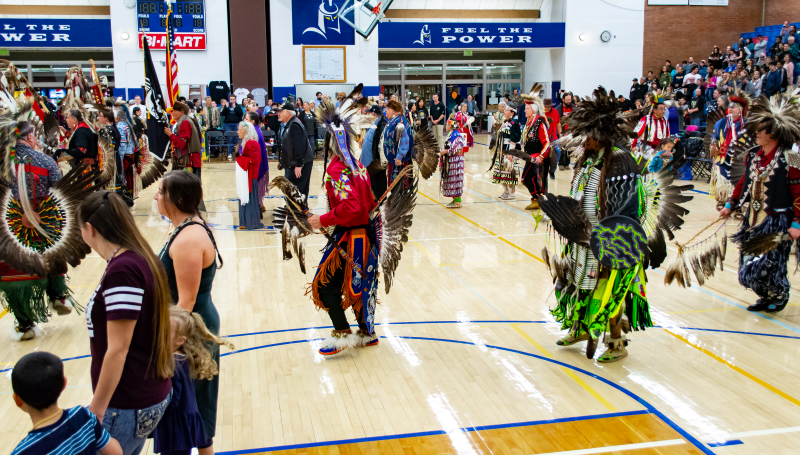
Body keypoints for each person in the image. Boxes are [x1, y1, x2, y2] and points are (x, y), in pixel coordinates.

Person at [546, 86, 693, 363]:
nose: (584, 140)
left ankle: (616, 343)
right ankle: (580, 329)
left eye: (589, 135)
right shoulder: (588, 157)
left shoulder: (620, 162)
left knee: (610, 293)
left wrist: (608, 247)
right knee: (578, 284)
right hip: (582, 238)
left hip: (609, 244)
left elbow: (625, 212)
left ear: (602, 135)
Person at [78, 191, 173, 455]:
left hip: (126, 402)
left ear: (90, 228)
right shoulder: (139, 258)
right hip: (143, 394)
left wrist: (96, 410)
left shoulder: (124, 270)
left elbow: (118, 348)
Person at [153, 172, 223, 455]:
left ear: (178, 199)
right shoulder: (187, 227)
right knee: (193, 411)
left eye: (161, 191)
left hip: (188, 334)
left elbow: (187, 301)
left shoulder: (188, 240)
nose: (156, 196)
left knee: (189, 412)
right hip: (188, 328)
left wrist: (167, 344)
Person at [720, 95, 800, 313]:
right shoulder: (753, 154)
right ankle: (765, 295)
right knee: (749, 263)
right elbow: (743, 182)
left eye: (760, 130)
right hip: (753, 218)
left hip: (778, 219)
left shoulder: (792, 156)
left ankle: (779, 294)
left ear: (772, 134)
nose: (756, 133)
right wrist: (731, 204)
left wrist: (797, 223)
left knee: (772, 262)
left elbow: (799, 190)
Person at [0, 121, 74, 341]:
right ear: (30, 138)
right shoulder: (45, 160)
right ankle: (58, 295)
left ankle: (25, 324)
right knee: (50, 254)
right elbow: (60, 193)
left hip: (9, 228)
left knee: (14, 271)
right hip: (42, 222)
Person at [151, 307, 233, 455]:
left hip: (175, 427)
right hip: (186, 422)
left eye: (164, 332)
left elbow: (172, 399)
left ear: (180, 340)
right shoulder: (184, 356)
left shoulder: (170, 364)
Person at [11, 351, 122, 455]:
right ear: (64, 384)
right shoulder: (83, 416)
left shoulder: (23, 451)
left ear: (17, 400)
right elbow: (116, 452)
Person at [519, 91, 550, 210]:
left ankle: (539, 200)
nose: (525, 111)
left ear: (533, 110)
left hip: (538, 158)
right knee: (527, 179)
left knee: (531, 179)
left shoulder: (539, 123)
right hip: (530, 157)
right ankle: (536, 200)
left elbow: (547, 142)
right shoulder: (529, 123)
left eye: (527, 109)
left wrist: (541, 156)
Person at [278, 102, 314, 199]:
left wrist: (298, 165)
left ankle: (297, 212)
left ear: (288, 113)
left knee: (297, 190)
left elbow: (299, 146)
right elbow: (287, 145)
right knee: (292, 190)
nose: (278, 113)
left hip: (299, 164)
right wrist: (281, 161)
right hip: (293, 163)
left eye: (281, 111)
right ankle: (293, 210)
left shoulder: (294, 125)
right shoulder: (289, 124)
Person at [235, 121, 264, 230]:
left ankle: (250, 222)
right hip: (248, 175)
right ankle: (246, 222)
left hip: (250, 176)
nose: (237, 132)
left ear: (246, 131)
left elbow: (255, 160)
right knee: (247, 198)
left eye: (239, 130)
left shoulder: (250, 143)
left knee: (249, 199)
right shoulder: (247, 142)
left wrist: (239, 159)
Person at [489, 103, 521, 200]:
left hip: (510, 152)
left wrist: (510, 153)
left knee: (509, 173)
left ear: (512, 112)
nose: (504, 111)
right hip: (502, 151)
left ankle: (512, 193)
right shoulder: (505, 122)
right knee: (501, 172)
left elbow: (514, 139)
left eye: (506, 110)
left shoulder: (514, 123)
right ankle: (506, 192)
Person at [164, 101, 203, 180]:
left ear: (182, 112)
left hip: (189, 161)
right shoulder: (185, 120)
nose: (172, 113)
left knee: (187, 188)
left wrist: (170, 134)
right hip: (191, 159)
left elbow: (181, 143)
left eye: (174, 111)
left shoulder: (185, 122)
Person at [381, 99, 413, 186]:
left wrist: (399, 157)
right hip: (395, 160)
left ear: (394, 111)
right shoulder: (396, 120)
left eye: (387, 108)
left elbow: (405, 140)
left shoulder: (399, 122)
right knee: (396, 187)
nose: (385, 110)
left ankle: (398, 200)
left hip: (398, 161)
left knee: (397, 187)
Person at [361, 105, 389, 199]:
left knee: (379, 185)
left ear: (373, 114)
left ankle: (381, 205)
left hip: (376, 163)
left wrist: (379, 161)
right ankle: (377, 203)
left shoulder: (381, 125)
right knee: (373, 185)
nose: (367, 115)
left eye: (368, 113)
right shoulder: (374, 124)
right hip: (370, 163)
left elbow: (381, 145)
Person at [440, 114, 468, 208]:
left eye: (447, 124)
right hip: (452, 160)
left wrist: (445, 151)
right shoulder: (451, 134)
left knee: (455, 179)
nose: (446, 126)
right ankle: (455, 200)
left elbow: (455, 148)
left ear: (451, 125)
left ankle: (457, 201)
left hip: (456, 161)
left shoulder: (456, 135)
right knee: (451, 180)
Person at [245, 111, 269, 214]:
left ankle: (257, 206)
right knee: (257, 186)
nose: (244, 121)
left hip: (255, 165)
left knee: (255, 186)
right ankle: (260, 204)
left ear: (252, 121)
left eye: (246, 119)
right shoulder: (256, 130)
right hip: (259, 164)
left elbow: (251, 150)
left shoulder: (253, 132)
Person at [556, 93, 576, 170]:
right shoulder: (558, 109)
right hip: (562, 131)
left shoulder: (573, 108)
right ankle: (561, 163)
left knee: (569, 148)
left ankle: (567, 163)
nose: (568, 101)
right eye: (567, 100)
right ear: (563, 100)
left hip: (570, 132)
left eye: (570, 99)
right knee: (562, 148)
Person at [220, 94, 243, 159]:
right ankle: (230, 153)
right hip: (228, 124)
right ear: (229, 99)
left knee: (237, 139)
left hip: (236, 123)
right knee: (230, 138)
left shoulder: (238, 106)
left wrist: (235, 107)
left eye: (233, 99)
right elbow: (223, 114)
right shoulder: (226, 105)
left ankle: (237, 153)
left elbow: (240, 114)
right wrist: (226, 108)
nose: (232, 100)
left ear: (235, 99)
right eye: (231, 99)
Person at [543, 98, 561, 179]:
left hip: (554, 138)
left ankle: (552, 171)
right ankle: (543, 171)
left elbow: (558, 123)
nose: (547, 108)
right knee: (544, 156)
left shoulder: (555, 112)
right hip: (543, 138)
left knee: (557, 153)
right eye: (545, 106)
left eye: (549, 106)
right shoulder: (540, 113)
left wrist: (560, 135)